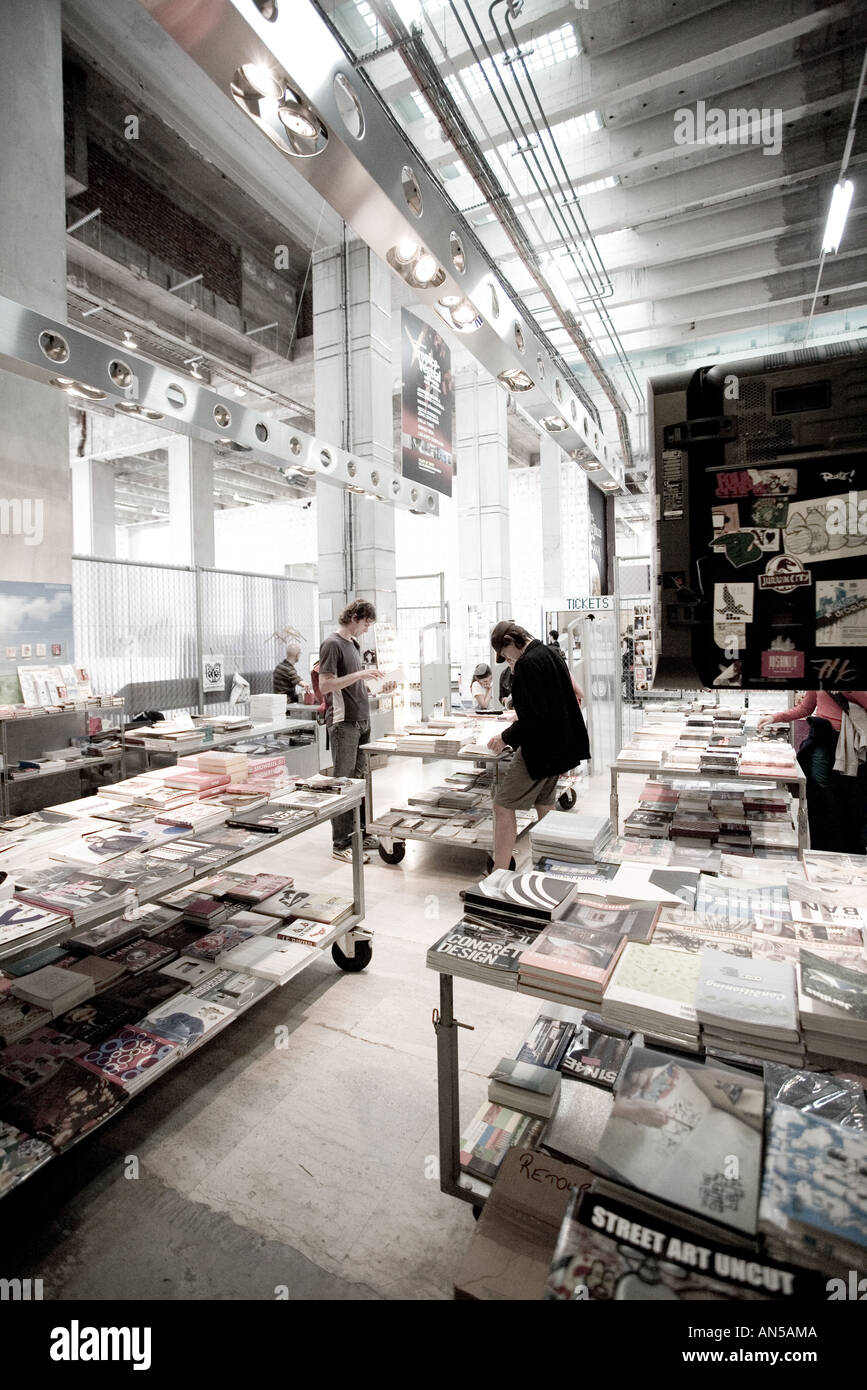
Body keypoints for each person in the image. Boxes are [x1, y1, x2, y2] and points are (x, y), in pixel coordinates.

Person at [486, 620, 591, 869]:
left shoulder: (527, 664)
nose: (508, 660)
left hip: (540, 749)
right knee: (544, 805)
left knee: (502, 805)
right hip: (561, 746)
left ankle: (498, 875)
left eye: (505, 655)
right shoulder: (550, 653)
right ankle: (552, 866)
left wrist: (504, 738)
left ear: (511, 642)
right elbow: (568, 697)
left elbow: (532, 718)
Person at [757, 690, 867, 854]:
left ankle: (850, 853)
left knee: (850, 801)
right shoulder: (818, 673)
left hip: (853, 746)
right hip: (822, 740)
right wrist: (775, 717)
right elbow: (806, 708)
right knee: (822, 799)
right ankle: (823, 852)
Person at [318, 599, 383, 862]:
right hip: (344, 723)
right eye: (366, 623)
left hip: (361, 720)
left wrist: (375, 685)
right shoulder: (332, 644)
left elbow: (355, 687)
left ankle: (361, 832)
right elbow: (325, 686)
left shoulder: (353, 644)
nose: (366, 629)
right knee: (344, 782)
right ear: (355, 617)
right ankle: (340, 842)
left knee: (360, 780)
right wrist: (359, 676)